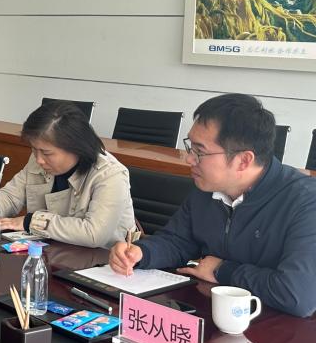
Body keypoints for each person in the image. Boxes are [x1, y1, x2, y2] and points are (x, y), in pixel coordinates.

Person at [109, 93, 316, 317]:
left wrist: (222, 270)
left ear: (244, 160)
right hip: (218, 315)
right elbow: (178, 241)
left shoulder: (305, 202)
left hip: (280, 327)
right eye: (191, 147)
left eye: (200, 152)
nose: (189, 159)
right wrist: (141, 253)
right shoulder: (208, 188)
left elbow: (298, 295)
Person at [0, 101, 135, 247]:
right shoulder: (38, 159)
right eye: (34, 149)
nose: (39, 159)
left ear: (75, 147)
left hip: (102, 262)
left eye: (47, 153)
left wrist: (31, 222)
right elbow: (11, 196)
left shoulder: (109, 174)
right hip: (52, 251)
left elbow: (94, 234)